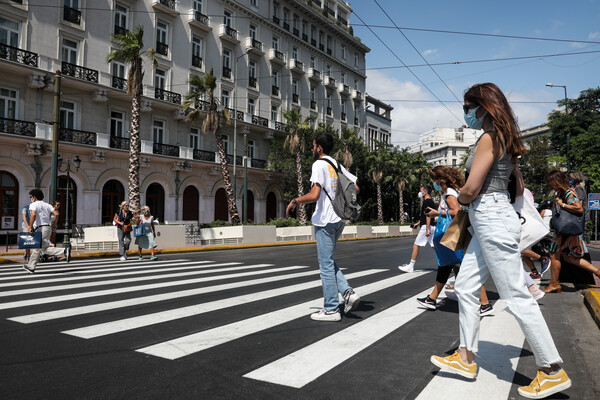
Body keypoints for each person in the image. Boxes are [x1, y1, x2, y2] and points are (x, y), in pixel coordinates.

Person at [430, 83, 571, 399]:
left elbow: (471, 187)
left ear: (483, 106)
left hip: (490, 218)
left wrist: (463, 199)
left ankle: (551, 369)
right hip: (493, 219)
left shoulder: (488, 138)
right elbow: (519, 190)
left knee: (516, 295)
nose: (466, 113)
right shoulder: (507, 142)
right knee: (466, 287)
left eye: (468, 107)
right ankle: (466, 358)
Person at [286, 132, 360, 322]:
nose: (312, 149)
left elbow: (314, 195)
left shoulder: (319, 164)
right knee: (328, 261)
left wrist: (295, 200)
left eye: (313, 146)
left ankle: (331, 309)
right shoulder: (336, 164)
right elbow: (355, 188)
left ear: (319, 147)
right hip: (340, 219)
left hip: (325, 220)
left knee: (325, 265)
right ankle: (348, 293)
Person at [418, 166, 493, 316]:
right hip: (462, 230)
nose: (435, 182)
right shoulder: (456, 189)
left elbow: (456, 211)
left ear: (442, 179)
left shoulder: (450, 193)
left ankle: (485, 304)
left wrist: (437, 213)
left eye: (436, 179)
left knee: (461, 265)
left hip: (458, 231)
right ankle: (432, 299)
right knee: (449, 264)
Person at [543, 170, 600, 293]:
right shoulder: (563, 192)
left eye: (551, 182)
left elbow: (578, 208)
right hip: (566, 230)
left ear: (556, 181)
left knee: (554, 254)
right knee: (569, 258)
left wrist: (562, 205)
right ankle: (598, 272)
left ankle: (554, 283)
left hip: (565, 231)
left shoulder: (569, 192)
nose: (550, 185)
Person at [24, 189, 71, 273]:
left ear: (34, 197)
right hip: (47, 228)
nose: (31, 198)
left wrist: (30, 227)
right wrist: (54, 225)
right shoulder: (47, 205)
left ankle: (31, 267)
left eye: (31, 197)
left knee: (37, 248)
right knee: (44, 248)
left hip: (40, 229)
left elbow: (33, 215)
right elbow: (56, 214)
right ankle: (64, 251)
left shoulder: (33, 204)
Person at [398, 185, 436, 272]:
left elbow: (428, 216)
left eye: (421, 191)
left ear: (425, 192)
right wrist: (417, 223)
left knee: (416, 244)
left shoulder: (426, 202)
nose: (420, 193)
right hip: (431, 226)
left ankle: (411, 266)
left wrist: (427, 229)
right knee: (435, 246)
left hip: (427, 226)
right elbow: (424, 216)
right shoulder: (431, 202)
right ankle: (447, 263)